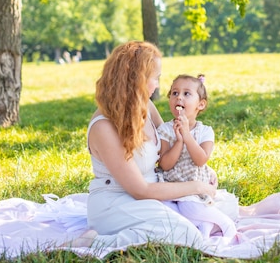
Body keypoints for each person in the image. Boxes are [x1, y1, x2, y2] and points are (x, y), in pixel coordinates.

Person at [76, 41, 217, 249]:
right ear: (137, 79)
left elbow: (170, 143)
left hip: (155, 191)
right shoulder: (103, 127)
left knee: (216, 215)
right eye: (156, 78)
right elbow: (140, 190)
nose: (158, 85)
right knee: (188, 235)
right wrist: (196, 187)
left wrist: (202, 170)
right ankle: (94, 241)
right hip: (117, 202)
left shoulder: (145, 105)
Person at [157, 74, 237, 239]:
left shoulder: (205, 131)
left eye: (186, 94)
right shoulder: (164, 130)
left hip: (194, 186)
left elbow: (200, 160)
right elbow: (165, 165)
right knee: (165, 212)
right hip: (171, 186)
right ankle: (204, 226)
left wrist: (187, 135)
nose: (179, 97)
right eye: (174, 93)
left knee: (189, 208)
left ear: (200, 104)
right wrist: (179, 142)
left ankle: (224, 223)